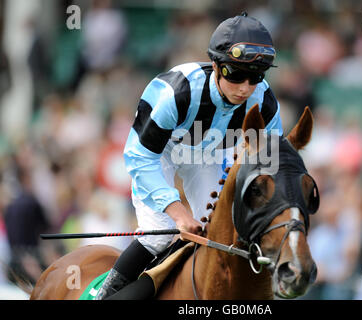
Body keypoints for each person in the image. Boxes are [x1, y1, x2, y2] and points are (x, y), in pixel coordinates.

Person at [96, 12, 283, 300]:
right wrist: (177, 211)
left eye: (256, 76)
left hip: (207, 153)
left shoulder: (264, 101)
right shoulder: (179, 92)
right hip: (158, 152)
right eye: (236, 74)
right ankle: (107, 294)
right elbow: (139, 156)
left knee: (214, 231)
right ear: (216, 66)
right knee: (160, 233)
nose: (246, 87)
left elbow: (269, 165)